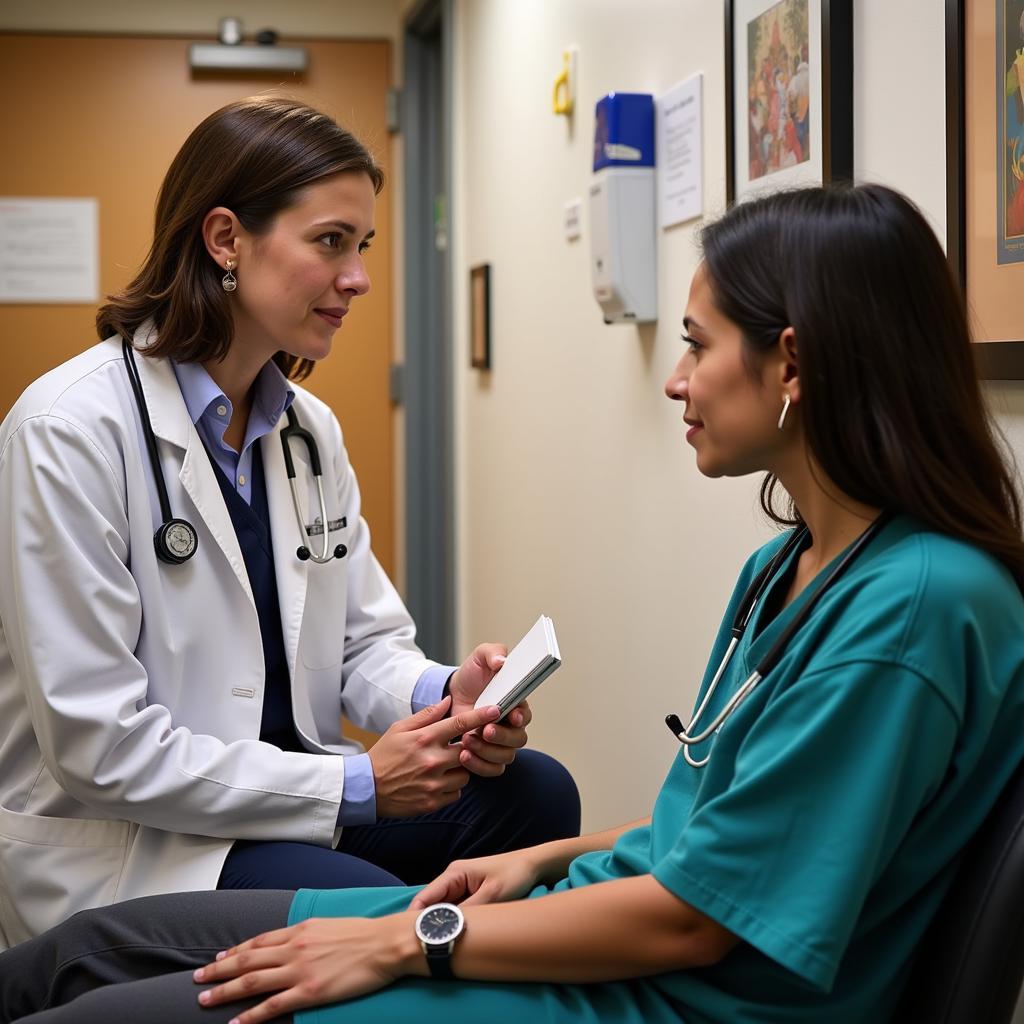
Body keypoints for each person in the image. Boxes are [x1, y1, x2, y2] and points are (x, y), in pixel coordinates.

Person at [4, 182, 1024, 1024]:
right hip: (606, 921)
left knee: (118, 1008)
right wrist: (537, 860)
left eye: (696, 346)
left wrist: (408, 936)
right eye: (332, 242)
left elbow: (697, 919)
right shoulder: (794, 567)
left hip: (674, 996)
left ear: (791, 363)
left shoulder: (907, 612)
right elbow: (721, 819)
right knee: (93, 948)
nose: (672, 382)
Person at [0, 96, 579, 949]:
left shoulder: (305, 429)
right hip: (142, 845)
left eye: (363, 246)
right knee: (390, 914)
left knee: (536, 794)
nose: (359, 279)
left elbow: (360, 645)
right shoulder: (68, 432)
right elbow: (100, 748)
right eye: (331, 242)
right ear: (226, 239)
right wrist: (357, 786)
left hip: (278, 796)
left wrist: (445, 695)